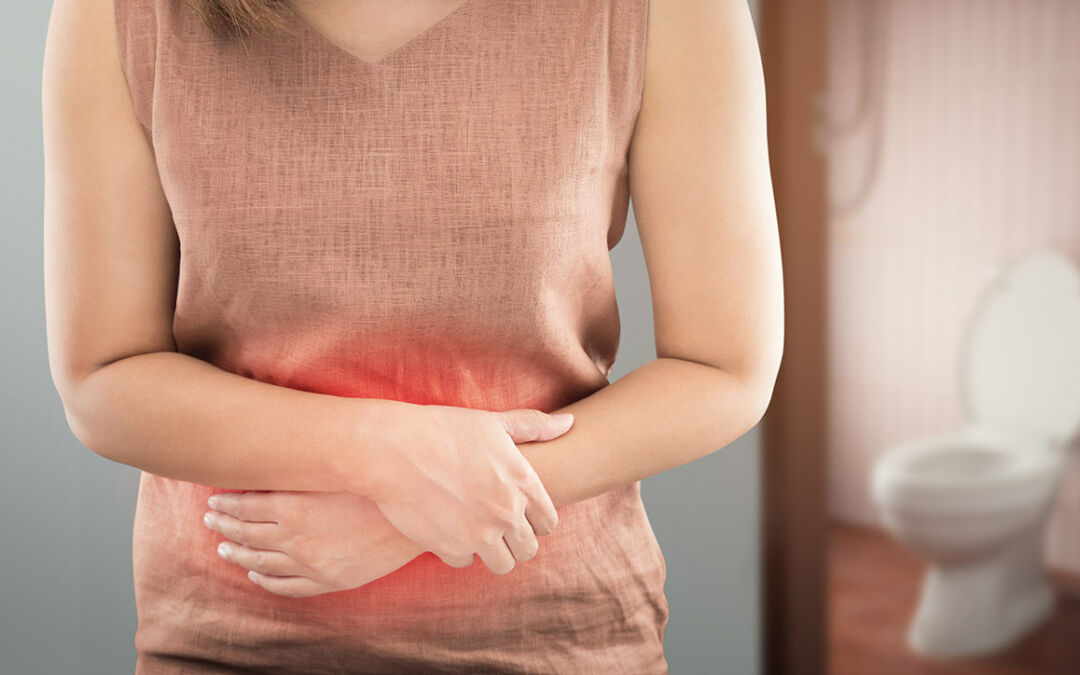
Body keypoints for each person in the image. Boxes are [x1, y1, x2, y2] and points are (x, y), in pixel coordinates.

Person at [42, 0, 783, 672]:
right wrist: (386, 457)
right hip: (230, 642)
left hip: (559, 642)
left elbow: (722, 366)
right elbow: (103, 376)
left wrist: (431, 510)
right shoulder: (116, 13)